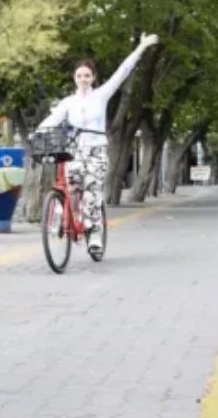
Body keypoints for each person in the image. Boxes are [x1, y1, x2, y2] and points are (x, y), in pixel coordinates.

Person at [37, 33, 160, 256]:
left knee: (92, 192)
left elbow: (123, 72)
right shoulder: (68, 102)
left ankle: (94, 234)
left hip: (96, 151)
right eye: (79, 75)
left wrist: (141, 47)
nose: (82, 79)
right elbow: (52, 120)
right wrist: (37, 133)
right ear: (74, 78)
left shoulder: (101, 96)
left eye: (87, 75)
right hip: (74, 152)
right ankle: (61, 222)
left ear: (93, 78)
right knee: (70, 187)